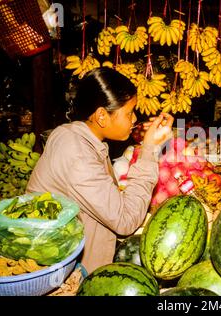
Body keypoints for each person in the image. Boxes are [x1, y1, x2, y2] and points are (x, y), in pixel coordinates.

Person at [26, 68, 174, 273]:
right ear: (102, 116)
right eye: (129, 113)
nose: (134, 119)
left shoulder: (77, 137)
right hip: (70, 275)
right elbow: (125, 221)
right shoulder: (76, 153)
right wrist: (149, 149)